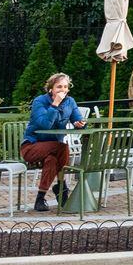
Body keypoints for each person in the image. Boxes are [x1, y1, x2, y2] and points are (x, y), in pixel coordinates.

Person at [23, 72, 90, 213]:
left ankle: (40, 199)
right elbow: (45, 125)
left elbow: (78, 118)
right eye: (59, 86)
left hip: (54, 149)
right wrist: (55, 104)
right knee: (62, 147)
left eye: (65, 87)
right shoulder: (39, 102)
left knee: (52, 160)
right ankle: (62, 188)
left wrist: (80, 123)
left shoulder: (70, 102)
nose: (63, 90)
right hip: (32, 147)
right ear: (51, 89)